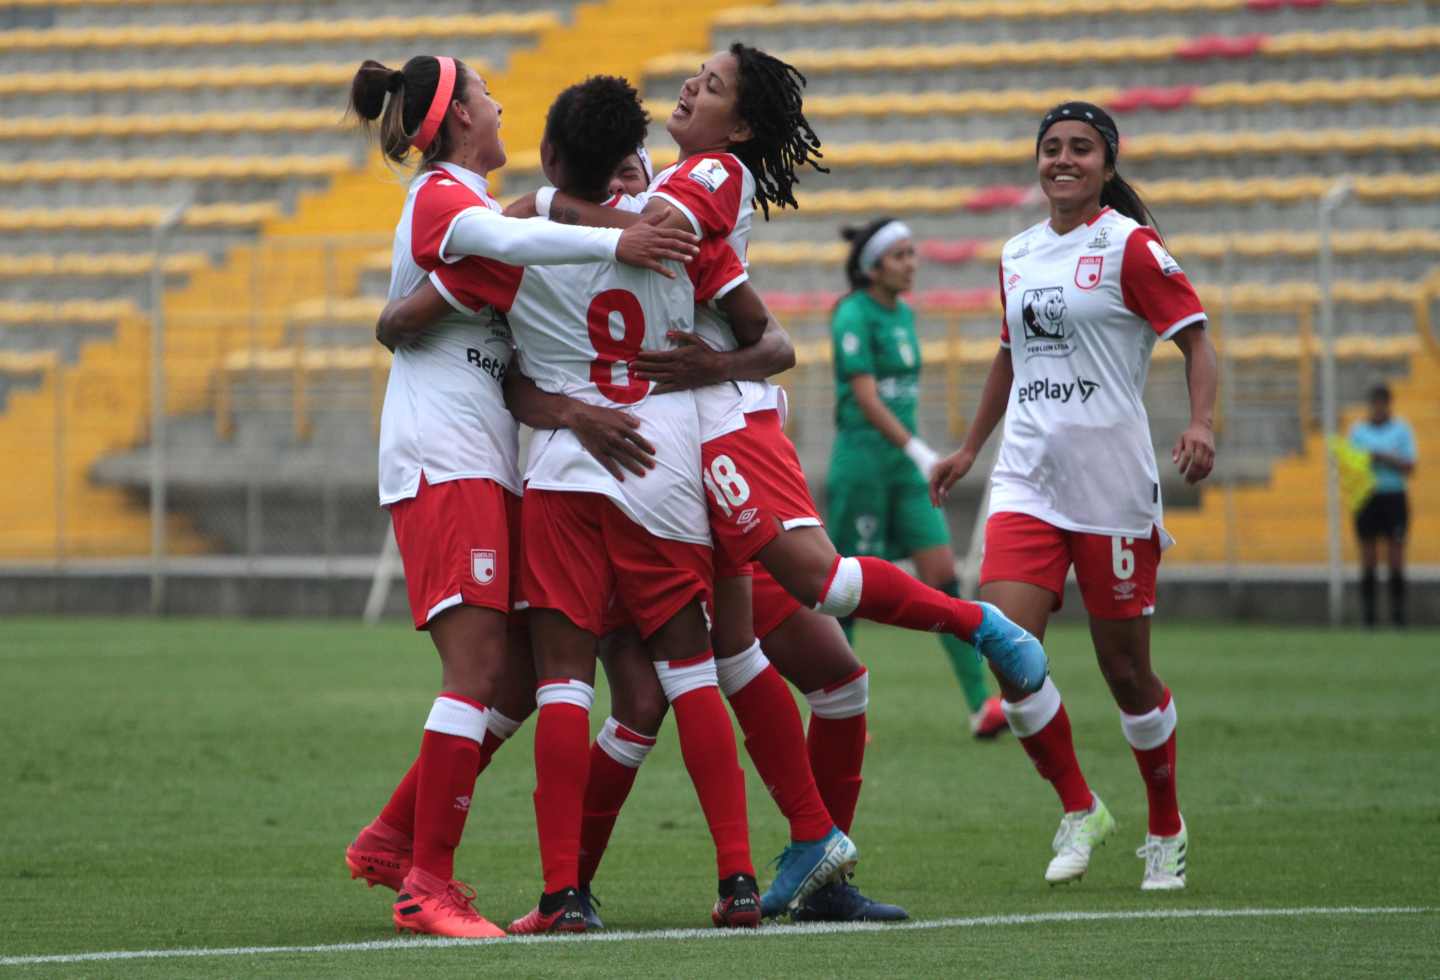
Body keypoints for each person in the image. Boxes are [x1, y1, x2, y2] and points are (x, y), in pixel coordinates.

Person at [528, 44, 1048, 921]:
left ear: (742, 125)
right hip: (683, 455)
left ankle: (975, 626)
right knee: (793, 673)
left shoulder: (709, 181)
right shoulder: (684, 201)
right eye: (692, 77)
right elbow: (770, 336)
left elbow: (750, 331)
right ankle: (812, 866)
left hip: (722, 439)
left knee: (804, 596)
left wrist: (538, 203)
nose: (690, 86)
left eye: (714, 84)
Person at [377, 75, 790, 932]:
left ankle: (562, 894)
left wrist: (570, 409)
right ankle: (739, 879)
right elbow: (764, 336)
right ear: (630, 161)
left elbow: (491, 366)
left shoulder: (519, 248)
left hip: (565, 467)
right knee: (691, 672)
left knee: (561, 683)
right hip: (663, 460)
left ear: (554, 158)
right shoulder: (680, 234)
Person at [340, 55, 697, 940]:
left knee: (523, 674)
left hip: (486, 457)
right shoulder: (441, 199)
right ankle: (428, 883)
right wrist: (622, 241)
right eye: (486, 95)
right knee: (476, 674)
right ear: (461, 117)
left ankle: (393, 838)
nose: (501, 107)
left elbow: (511, 241)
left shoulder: (473, 207)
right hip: (446, 457)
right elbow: (511, 242)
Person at [931, 101, 1219, 892]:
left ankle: (1165, 825)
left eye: (1080, 149)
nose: (1063, 160)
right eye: (1051, 148)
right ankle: (1080, 805)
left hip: (1111, 488)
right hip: (1027, 480)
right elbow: (1007, 355)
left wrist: (1200, 423)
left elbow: (1195, 336)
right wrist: (968, 448)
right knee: (1005, 645)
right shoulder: (1017, 252)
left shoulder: (1129, 246)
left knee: (1126, 672)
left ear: (1107, 163)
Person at [827, 217, 1007, 740]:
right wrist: (920, 450)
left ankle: (980, 705)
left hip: (906, 473)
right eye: (902, 254)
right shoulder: (852, 315)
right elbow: (866, 398)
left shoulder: (903, 314)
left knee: (943, 577)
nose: (912, 263)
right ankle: (838, 708)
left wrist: (914, 454)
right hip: (862, 466)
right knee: (844, 594)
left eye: (913, 253)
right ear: (874, 266)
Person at [1348, 383, 1417, 627]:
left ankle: (1398, 617)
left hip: (1393, 496)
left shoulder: (1401, 430)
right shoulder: (1358, 431)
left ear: (1389, 405)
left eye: (1382, 404)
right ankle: (1370, 619)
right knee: (1368, 557)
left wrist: (1384, 457)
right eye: (1374, 404)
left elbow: (1410, 466)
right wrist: (1365, 460)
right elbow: (1349, 466)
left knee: (1395, 556)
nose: (1378, 409)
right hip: (1367, 497)